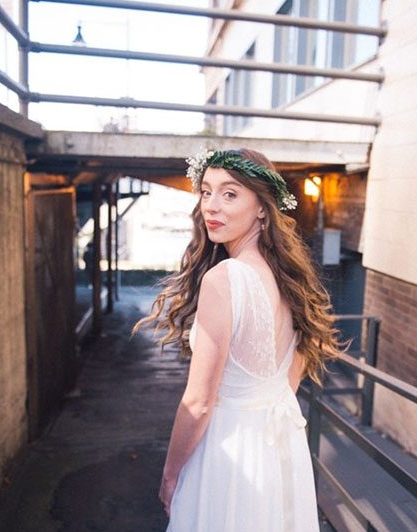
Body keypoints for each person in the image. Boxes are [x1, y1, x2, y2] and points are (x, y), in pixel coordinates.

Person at [133, 148, 342, 531]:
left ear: (263, 207)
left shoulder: (225, 278)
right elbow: (289, 382)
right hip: (276, 449)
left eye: (230, 194)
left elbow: (198, 402)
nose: (212, 206)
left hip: (229, 450)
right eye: (207, 191)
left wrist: (170, 474)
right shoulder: (289, 279)